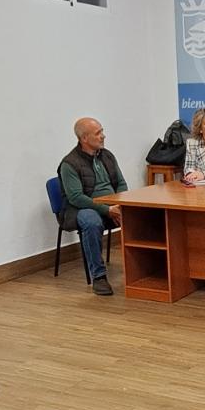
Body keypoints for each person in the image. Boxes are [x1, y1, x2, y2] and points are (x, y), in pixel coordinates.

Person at [58, 116, 128, 296]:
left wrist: (119, 205)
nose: (103, 136)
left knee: (143, 213)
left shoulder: (107, 155)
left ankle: (142, 270)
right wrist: (107, 210)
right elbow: (76, 198)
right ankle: (99, 276)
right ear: (84, 138)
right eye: (98, 133)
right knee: (91, 222)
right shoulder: (69, 164)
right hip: (82, 209)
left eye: (102, 131)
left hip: (112, 205)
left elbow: (121, 183)